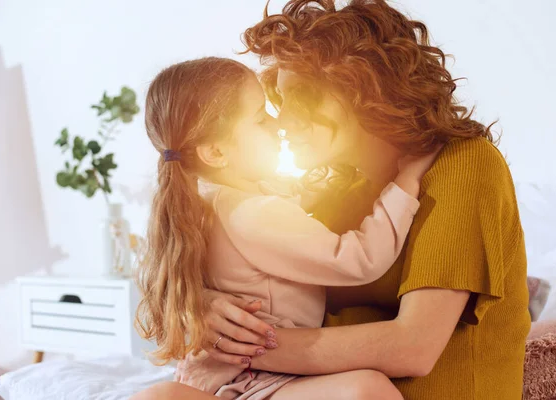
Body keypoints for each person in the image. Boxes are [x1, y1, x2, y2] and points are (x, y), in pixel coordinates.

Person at [177, 1, 531, 399]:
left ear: (366, 91)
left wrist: (236, 349)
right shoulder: (337, 189)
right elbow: (245, 263)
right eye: (279, 101)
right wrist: (204, 308)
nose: (282, 121)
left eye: (304, 98)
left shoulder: (465, 165)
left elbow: (412, 348)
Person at [132, 57, 437, 400]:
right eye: (261, 118)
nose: (278, 123)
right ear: (216, 152)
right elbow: (359, 258)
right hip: (262, 378)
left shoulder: (201, 203)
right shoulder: (252, 213)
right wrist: (406, 182)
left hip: (215, 376)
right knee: (368, 391)